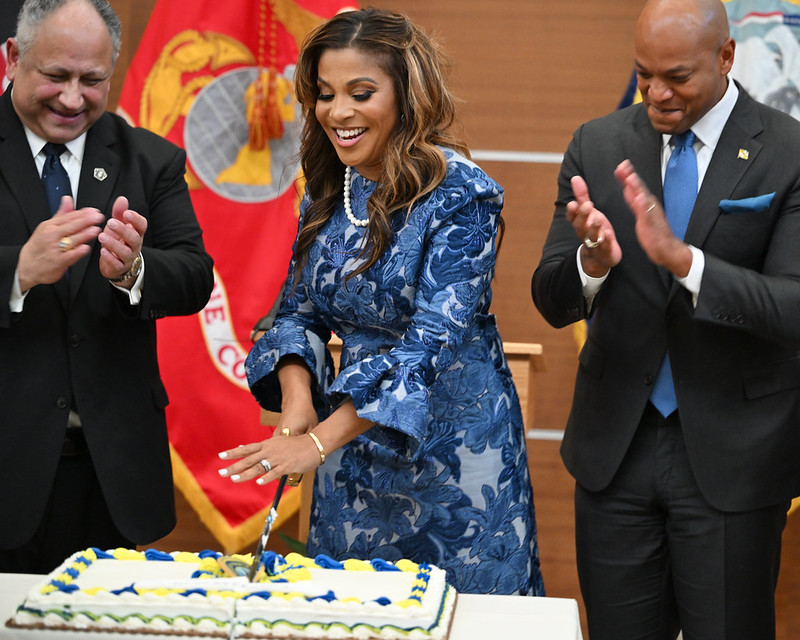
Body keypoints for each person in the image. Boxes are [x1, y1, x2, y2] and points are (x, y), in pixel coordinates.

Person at [218, 8, 544, 596]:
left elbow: (425, 351)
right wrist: (298, 408)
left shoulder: (464, 194)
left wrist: (316, 442)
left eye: (360, 92)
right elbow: (297, 315)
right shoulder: (328, 190)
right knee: (349, 614)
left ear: (407, 94)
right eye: (324, 94)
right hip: (351, 453)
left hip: (457, 458)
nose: (338, 112)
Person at [532, 0, 800, 637]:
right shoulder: (597, 145)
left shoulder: (787, 151)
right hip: (614, 453)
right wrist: (591, 263)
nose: (656, 92)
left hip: (733, 456)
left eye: (676, 76)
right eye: (644, 73)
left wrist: (686, 261)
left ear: (726, 58)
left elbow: (793, 306)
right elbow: (550, 296)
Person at [0, 0, 214, 573]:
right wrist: (18, 270)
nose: (73, 99)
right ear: (14, 58)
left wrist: (134, 271)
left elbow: (195, 275)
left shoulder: (151, 159)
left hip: (109, 473)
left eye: (91, 80)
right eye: (55, 76)